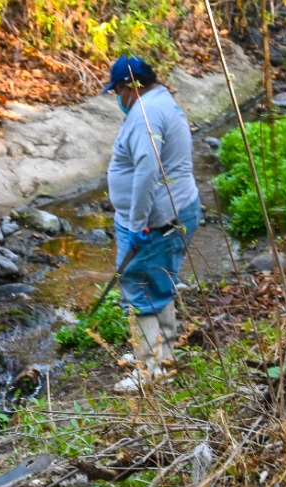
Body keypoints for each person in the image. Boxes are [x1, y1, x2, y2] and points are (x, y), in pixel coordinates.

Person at [103, 55, 202, 392]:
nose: (118, 97)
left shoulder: (146, 114)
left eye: (118, 89)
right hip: (175, 210)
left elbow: (147, 170)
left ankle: (149, 368)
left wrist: (137, 224)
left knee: (139, 287)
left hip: (156, 219)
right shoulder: (161, 102)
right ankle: (165, 352)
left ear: (130, 87)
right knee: (160, 283)